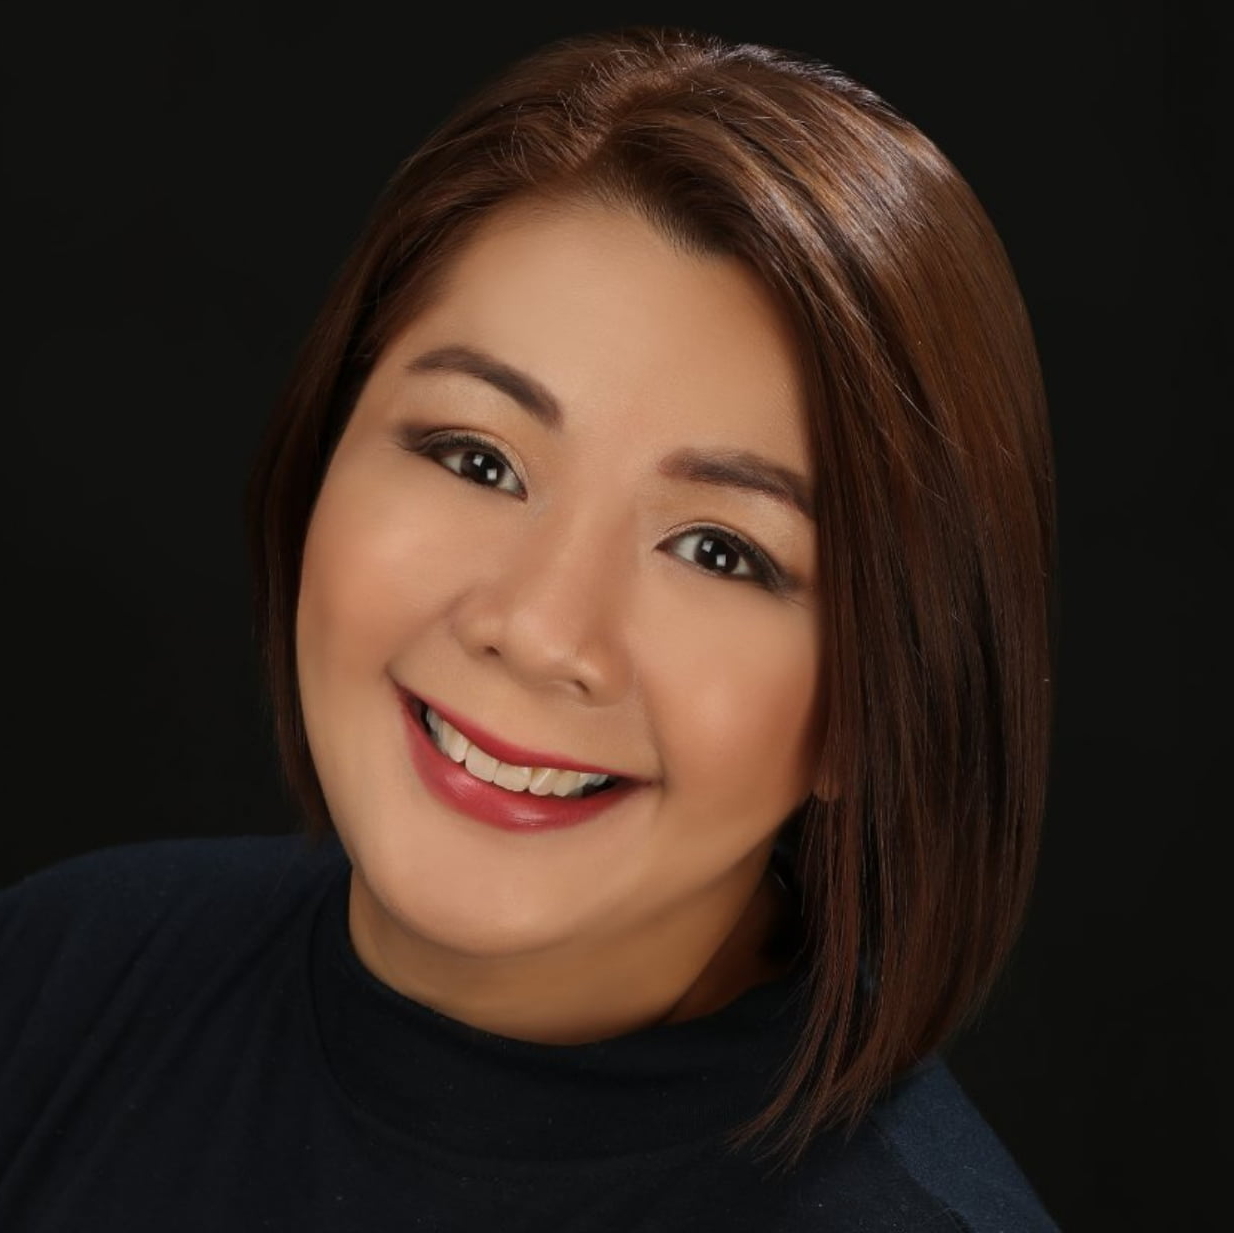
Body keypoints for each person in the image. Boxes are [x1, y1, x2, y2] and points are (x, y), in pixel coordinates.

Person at [0, 26, 1058, 1231]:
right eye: (477, 458)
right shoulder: (61, 978)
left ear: (876, 711)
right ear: (323, 450)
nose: (539, 628)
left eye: (719, 551)